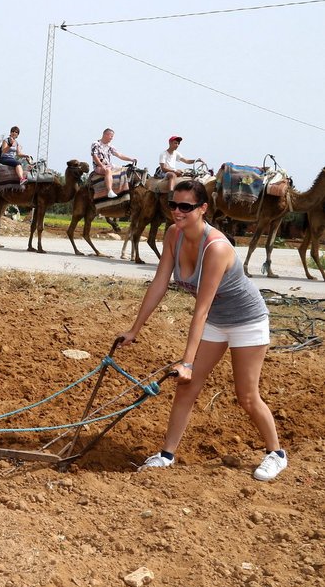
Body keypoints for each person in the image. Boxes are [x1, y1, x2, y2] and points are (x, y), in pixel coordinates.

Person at [117, 179, 286, 481]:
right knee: (187, 387)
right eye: (173, 205)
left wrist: (187, 361)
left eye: (186, 206)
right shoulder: (173, 235)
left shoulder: (217, 247)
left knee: (246, 395)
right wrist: (134, 329)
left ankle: (276, 453)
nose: (177, 212)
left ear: (203, 208)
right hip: (216, 321)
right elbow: (159, 284)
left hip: (247, 320)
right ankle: (167, 455)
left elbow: (202, 308)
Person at [91, 128, 136, 199]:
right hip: (98, 167)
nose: (112, 138)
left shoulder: (110, 146)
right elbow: (94, 156)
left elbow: (119, 155)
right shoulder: (96, 144)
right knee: (108, 171)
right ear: (105, 134)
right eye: (111, 136)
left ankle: (124, 190)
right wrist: (101, 166)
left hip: (109, 165)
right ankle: (110, 191)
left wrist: (131, 159)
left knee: (124, 170)